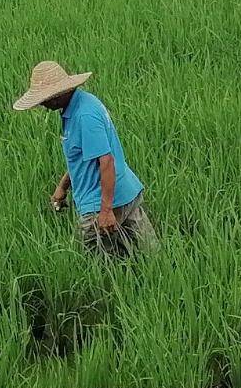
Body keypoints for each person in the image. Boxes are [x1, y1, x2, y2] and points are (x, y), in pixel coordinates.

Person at [11, 60, 155, 254]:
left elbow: (106, 162)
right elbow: (84, 157)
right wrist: (63, 187)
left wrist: (105, 211)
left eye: (44, 99)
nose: (43, 105)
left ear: (57, 96)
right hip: (126, 191)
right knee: (147, 254)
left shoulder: (84, 116)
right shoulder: (83, 103)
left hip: (101, 202)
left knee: (91, 265)